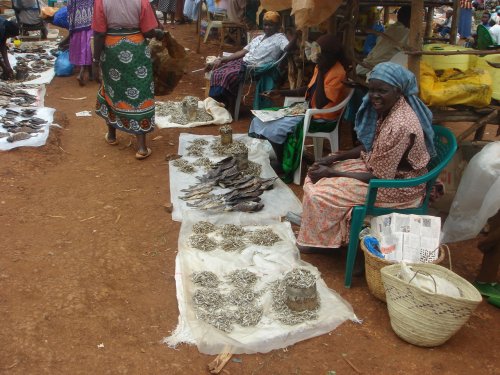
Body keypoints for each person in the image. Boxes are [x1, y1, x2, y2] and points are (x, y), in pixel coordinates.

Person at [296, 62, 436, 252]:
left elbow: (379, 177)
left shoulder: (400, 125)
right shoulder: (388, 110)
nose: (374, 96)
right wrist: (333, 159)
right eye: (371, 90)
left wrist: (330, 173)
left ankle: (322, 241)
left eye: (382, 91)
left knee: (319, 191)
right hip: (378, 170)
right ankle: (320, 234)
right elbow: (370, 147)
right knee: (315, 175)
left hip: (399, 187)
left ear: (398, 91)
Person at [248, 34, 348, 175]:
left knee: (276, 127)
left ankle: (285, 165)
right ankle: (282, 157)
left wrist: (321, 73)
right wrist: (281, 92)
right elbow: (308, 89)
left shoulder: (337, 73)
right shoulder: (322, 67)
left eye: (320, 54)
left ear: (330, 55)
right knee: (260, 119)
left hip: (321, 118)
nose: (316, 57)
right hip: (308, 111)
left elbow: (320, 103)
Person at [92, 0, 165, 160]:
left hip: (112, 50)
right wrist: (158, 33)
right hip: (136, 48)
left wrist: (95, 61)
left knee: (112, 90)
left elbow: (99, 33)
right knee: (140, 92)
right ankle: (141, 147)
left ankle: (111, 135)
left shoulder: (101, 1)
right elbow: (147, 31)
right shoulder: (142, 1)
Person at [206, 11, 297, 110]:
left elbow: (288, 49)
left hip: (254, 68)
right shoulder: (259, 37)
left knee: (228, 75)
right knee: (217, 72)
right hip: (242, 62)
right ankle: (222, 102)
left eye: (270, 25)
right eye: (265, 25)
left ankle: (228, 104)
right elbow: (243, 51)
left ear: (277, 26)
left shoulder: (280, 39)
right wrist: (224, 59)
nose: (267, 27)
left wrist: (295, 36)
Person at [355, 5, 411, 77]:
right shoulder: (407, 33)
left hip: (364, 66)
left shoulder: (390, 28)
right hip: (376, 69)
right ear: (410, 19)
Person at [67, 0, 94, 86]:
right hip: (90, 20)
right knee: (89, 47)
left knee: (82, 47)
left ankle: (88, 72)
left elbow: (69, 6)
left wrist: (71, 21)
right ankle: (84, 71)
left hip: (77, 22)